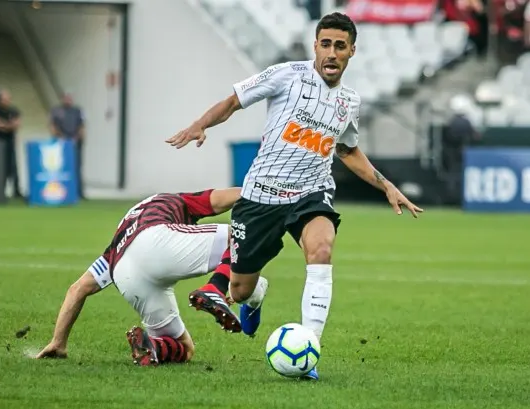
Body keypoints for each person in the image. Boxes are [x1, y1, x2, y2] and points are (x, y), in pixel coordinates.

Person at [167, 12, 423, 380]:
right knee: (238, 290)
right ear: (315, 46)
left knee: (321, 249)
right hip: (261, 196)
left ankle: (310, 354)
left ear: (352, 51)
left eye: (340, 46)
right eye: (325, 44)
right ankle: (256, 295)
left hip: (310, 193)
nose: (331, 53)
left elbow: (348, 150)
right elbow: (234, 101)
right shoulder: (286, 74)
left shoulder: (349, 101)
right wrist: (200, 124)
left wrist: (387, 185)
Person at [36, 187, 251, 366]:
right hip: (155, 239)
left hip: (123, 271)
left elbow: (78, 289)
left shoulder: (118, 240)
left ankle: (153, 346)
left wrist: (58, 341)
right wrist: (261, 192)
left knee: (185, 349)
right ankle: (215, 289)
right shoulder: (177, 200)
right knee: (241, 234)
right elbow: (223, 198)